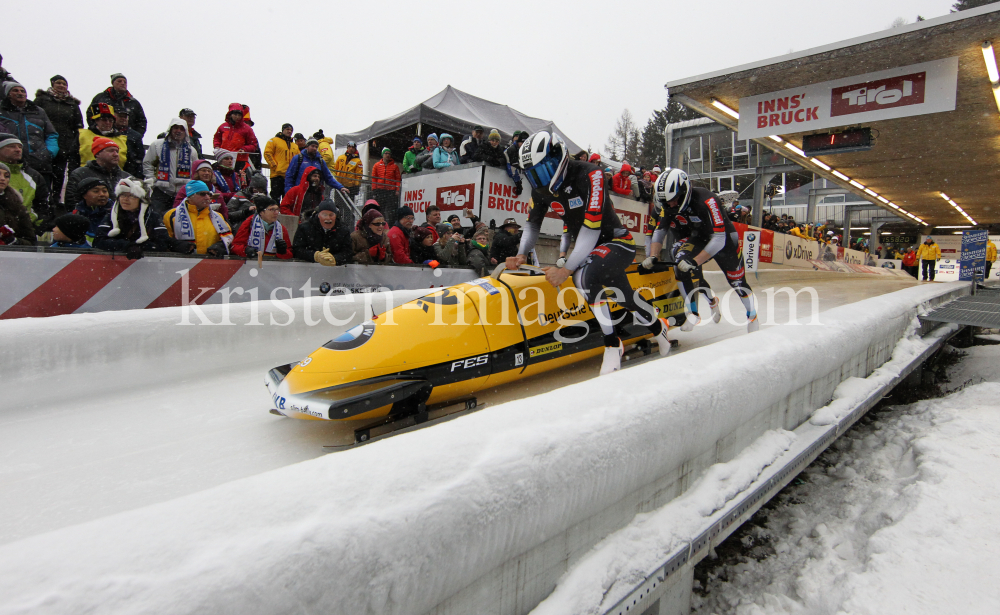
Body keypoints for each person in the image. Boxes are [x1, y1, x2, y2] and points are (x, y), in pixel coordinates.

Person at [508, 131, 671, 375]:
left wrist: (565, 270)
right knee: (624, 296)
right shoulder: (539, 190)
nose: (539, 179)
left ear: (558, 158)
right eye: (532, 174)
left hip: (618, 241)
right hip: (593, 249)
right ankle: (660, 327)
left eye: (543, 170)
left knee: (581, 276)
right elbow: (532, 225)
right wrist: (521, 253)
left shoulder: (590, 174)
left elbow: (591, 229)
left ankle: (612, 344)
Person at [646, 168, 757, 334]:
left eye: (674, 200)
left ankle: (752, 315)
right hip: (699, 237)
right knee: (680, 264)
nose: (671, 205)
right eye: (667, 201)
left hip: (724, 238)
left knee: (737, 282)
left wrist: (695, 261)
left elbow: (719, 239)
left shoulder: (708, 200)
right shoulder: (668, 206)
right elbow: (659, 232)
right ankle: (693, 312)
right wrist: (653, 256)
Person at [33, 75, 83, 207]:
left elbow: (78, 126)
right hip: (44, 142)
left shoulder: (72, 104)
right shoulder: (42, 100)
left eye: (64, 84)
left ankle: (56, 199)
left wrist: (73, 142)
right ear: (52, 84)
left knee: (59, 172)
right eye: (59, 83)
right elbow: (33, 117)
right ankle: (42, 198)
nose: (62, 86)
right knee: (43, 171)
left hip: (64, 143)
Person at [1, 82, 59, 193]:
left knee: (42, 197)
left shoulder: (39, 111)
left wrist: (49, 153)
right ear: (8, 94)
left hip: (40, 162)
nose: (20, 93)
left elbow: (51, 134)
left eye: (23, 91)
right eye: (16, 90)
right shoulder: (2, 110)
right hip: (10, 164)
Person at [94, 177, 169, 257]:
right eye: (123, 195)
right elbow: (98, 241)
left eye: (132, 196)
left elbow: (163, 243)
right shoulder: (112, 215)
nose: (125, 199)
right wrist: (127, 246)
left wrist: (140, 247)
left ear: (142, 200)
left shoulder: (153, 216)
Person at [143, 118, 197, 215]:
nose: (178, 131)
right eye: (176, 128)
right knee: (156, 218)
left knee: (178, 220)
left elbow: (195, 170)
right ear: (170, 129)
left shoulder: (191, 150)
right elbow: (148, 163)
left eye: (182, 129)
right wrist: (152, 181)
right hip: (161, 191)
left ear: (186, 132)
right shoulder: (157, 145)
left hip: (182, 193)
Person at [163, 180, 232, 255]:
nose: (207, 197)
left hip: (210, 263)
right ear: (190, 197)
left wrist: (219, 248)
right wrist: (180, 246)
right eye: (202, 194)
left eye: (209, 194)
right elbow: (164, 240)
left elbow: (229, 239)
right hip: (182, 263)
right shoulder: (172, 215)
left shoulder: (219, 216)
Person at [0, 133, 49, 221]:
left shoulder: (33, 176)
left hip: (28, 228)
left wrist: (38, 229)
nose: (18, 150)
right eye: (11, 146)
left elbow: (43, 206)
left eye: (20, 147)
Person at [285, 138, 350, 199]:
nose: (315, 148)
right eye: (312, 146)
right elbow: (289, 176)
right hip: (300, 192)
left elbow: (328, 177)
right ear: (307, 147)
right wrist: (289, 192)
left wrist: (340, 187)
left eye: (316, 147)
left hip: (316, 193)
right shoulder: (298, 158)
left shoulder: (320, 161)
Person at [292, 200, 353, 265]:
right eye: (324, 215)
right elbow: (297, 250)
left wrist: (335, 258)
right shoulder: (304, 228)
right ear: (318, 215)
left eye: (331, 215)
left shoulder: (344, 230)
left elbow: (348, 253)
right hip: (308, 270)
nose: (328, 218)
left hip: (335, 271)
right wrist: (315, 256)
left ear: (336, 216)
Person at [78, 104, 127, 168]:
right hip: (85, 175)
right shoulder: (82, 135)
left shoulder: (123, 139)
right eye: (104, 120)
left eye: (110, 120)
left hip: (115, 176)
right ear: (96, 120)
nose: (108, 122)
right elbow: (73, 158)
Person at [0, 161, 35, 245]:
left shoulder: (16, 206)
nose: (2, 178)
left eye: (6, 176)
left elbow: (30, 241)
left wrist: (13, 241)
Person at [263, 123, 298, 201]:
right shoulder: (274, 141)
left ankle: (285, 212)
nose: (289, 131)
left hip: (289, 176)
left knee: (288, 198)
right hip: (277, 175)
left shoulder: (294, 145)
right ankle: (275, 212)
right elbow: (267, 153)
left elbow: (298, 159)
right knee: (275, 197)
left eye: (291, 130)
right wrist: (274, 166)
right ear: (283, 130)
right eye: (287, 129)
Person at [71, 177, 112, 243]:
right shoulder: (75, 216)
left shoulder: (116, 215)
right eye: (96, 191)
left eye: (105, 191)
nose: (102, 194)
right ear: (84, 195)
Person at [371, 147, 402, 224]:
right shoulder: (376, 165)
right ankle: (380, 223)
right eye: (386, 153)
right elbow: (374, 178)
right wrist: (374, 189)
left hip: (391, 191)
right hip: (380, 190)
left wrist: (397, 190)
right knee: (380, 209)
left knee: (391, 210)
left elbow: (398, 179)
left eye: (389, 153)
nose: (387, 155)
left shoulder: (395, 166)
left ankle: (390, 225)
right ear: (382, 154)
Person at [114, 109, 144, 178]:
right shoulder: (108, 133)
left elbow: (140, 158)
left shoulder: (135, 136)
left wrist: (138, 176)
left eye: (125, 117)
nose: (123, 119)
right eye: (120, 116)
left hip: (130, 172)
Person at [503, 130, 528, 196]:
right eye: (522, 142)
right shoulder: (512, 149)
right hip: (507, 180)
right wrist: (518, 183)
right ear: (519, 142)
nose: (523, 145)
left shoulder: (523, 150)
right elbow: (511, 168)